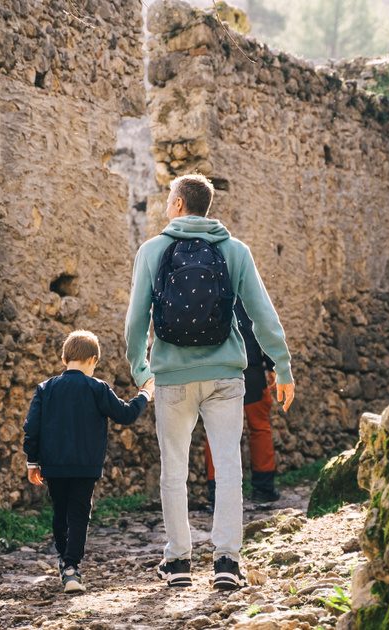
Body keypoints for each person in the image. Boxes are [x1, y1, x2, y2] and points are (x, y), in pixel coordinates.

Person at [125, 173, 295, 591]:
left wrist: (140, 369)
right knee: (230, 466)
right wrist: (284, 366)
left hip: (172, 379)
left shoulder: (151, 250)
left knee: (174, 470)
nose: (167, 205)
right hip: (224, 376)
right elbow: (262, 316)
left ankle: (178, 562)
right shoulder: (235, 251)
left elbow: (135, 321)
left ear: (180, 205)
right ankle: (226, 562)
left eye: (169, 199)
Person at [23, 330, 155, 594]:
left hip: (54, 466)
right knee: (79, 513)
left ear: (64, 358)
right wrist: (145, 395)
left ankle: (64, 558)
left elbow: (32, 427)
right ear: (94, 359)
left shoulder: (45, 389)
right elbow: (126, 415)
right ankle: (72, 566)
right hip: (86, 466)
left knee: (60, 512)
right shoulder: (98, 388)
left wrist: (32, 461)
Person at [202, 302, 280, 511]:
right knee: (259, 428)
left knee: (216, 433)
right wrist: (272, 365)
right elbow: (264, 328)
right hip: (251, 370)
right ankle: (264, 488)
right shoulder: (247, 294)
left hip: (217, 372)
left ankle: (217, 492)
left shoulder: (205, 292)